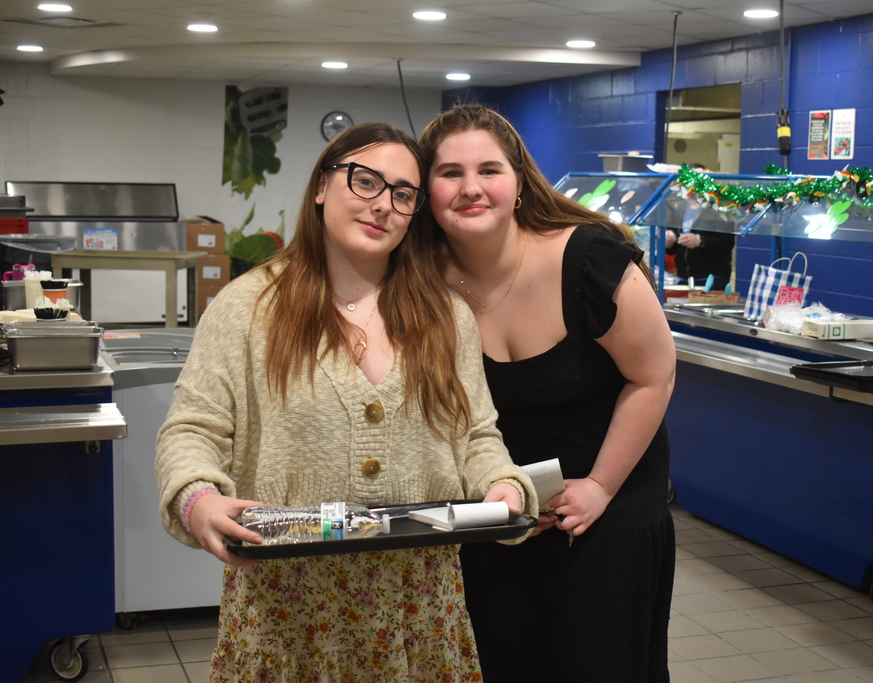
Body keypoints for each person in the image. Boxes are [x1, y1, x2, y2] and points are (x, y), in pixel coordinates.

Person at [155, 121, 537, 682]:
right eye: (365, 181)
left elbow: (475, 434)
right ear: (321, 186)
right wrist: (198, 499)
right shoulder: (247, 308)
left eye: (403, 194)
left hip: (417, 608)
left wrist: (501, 484)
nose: (383, 205)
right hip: (288, 610)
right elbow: (192, 429)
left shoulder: (445, 316)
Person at [418, 104, 677, 682]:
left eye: (489, 170)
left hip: (609, 500)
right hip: (498, 507)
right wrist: (493, 498)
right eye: (450, 173)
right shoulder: (420, 281)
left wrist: (600, 487)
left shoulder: (588, 259)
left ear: (518, 183)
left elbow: (653, 376)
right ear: (427, 191)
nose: (470, 188)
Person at [664, 165, 736, 292]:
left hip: (711, 277)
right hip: (683, 277)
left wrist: (700, 241)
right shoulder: (679, 209)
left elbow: (727, 242)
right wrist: (669, 242)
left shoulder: (718, 209)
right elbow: (672, 249)